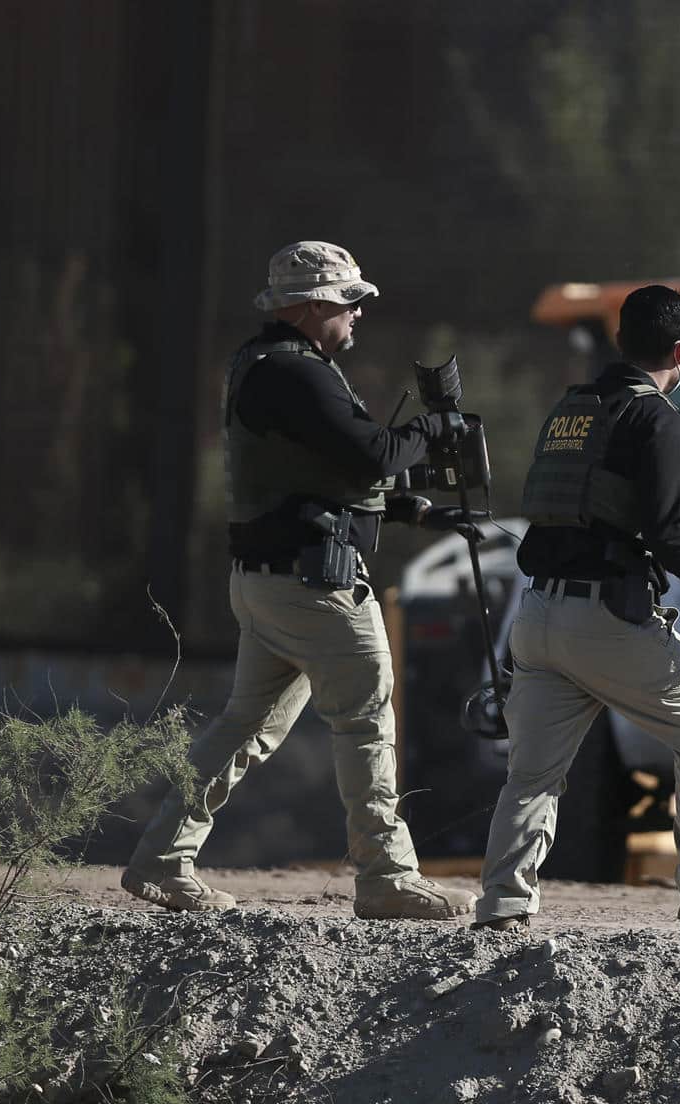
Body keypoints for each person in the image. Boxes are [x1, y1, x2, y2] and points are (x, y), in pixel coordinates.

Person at [121, 240, 474, 919]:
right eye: (350, 302)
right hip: (315, 585)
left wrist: (410, 509)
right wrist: (434, 429)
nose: (358, 315)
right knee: (366, 720)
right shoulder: (296, 372)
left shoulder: (266, 365)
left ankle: (163, 860)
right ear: (315, 307)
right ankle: (386, 877)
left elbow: (317, 475)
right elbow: (373, 455)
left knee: (243, 727)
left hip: (272, 581)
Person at [473, 285, 680, 947]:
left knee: (532, 773)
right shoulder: (664, 425)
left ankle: (503, 905)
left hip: (535, 616)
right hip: (609, 622)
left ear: (622, 342)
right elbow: (671, 538)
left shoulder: (571, 410)